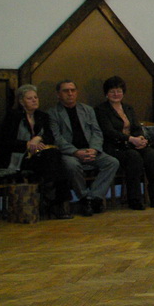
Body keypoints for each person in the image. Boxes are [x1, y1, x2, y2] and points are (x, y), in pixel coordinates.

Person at [0, 84, 72, 219]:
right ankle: (56, 203)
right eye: (30, 98)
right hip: (19, 157)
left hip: (40, 155)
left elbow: (50, 137)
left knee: (54, 157)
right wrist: (27, 144)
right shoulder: (13, 117)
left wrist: (38, 138)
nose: (34, 100)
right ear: (21, 101)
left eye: (36, 97)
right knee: (53, 160)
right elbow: (4, 141)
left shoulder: (42, 116)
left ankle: (53, 201)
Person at [48, 80, 120, 216]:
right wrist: (76, 152)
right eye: (66, 91)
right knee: (72, 166)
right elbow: (57, 138)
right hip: (69, 153)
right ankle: (84, 197)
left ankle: (93, 198)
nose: (70, 93)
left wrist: (94, 149)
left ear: (77, 92)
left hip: (90, 150)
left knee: (112, 162)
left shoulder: (87, 110)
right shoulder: (53, 113)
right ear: (58, 94)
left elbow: (97, 132)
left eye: (73, 90)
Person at [94, 76, 154, 210]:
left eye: (119, 91)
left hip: (132, 144)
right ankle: (134, 199)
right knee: (134, 157)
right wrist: (131, 139)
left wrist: (141, 138)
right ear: (106, 93)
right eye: (112, 91)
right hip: (114, 147)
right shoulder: (101, 110)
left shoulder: (128, 108)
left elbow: (136, 127)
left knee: (152, 155)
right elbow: (109, 131)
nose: (116, 94)